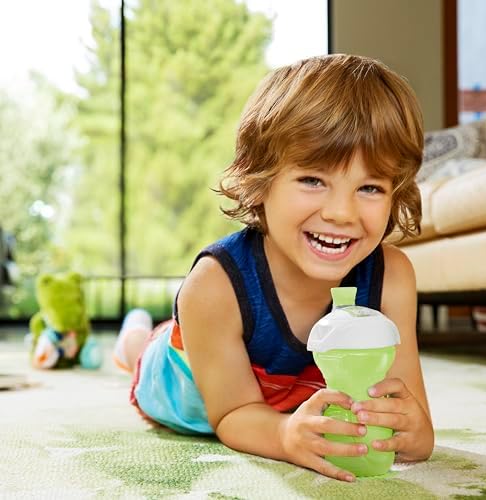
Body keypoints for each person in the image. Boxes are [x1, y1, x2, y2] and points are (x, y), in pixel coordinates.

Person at [113, 53, 434, 482]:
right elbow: (233, 414)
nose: (341, 213)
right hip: (189, 381)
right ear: (260, 181)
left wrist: (412, 430)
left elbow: (413, 417)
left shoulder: (391, 277)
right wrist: (284, 435)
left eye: (370, 187)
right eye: (313, 180)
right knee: (142, 351)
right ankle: (134, 335)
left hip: (286, 392)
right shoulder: (213, 287)